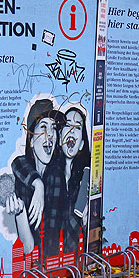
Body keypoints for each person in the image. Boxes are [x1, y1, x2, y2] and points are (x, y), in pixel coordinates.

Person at [10, 99, 62, 256]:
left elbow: (50, 245)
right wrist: (21, 214)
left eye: (53, 128)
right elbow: (28, 249)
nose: (50, 135)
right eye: (44, 127)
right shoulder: (23, 175)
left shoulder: (56, 178)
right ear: (31, 140)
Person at [60, 106, 92, 255]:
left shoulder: (86, 178)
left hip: (74, 258)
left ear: (81, 144)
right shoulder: (49, 174)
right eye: (67, 125)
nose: (71, 131)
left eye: (77, 127)